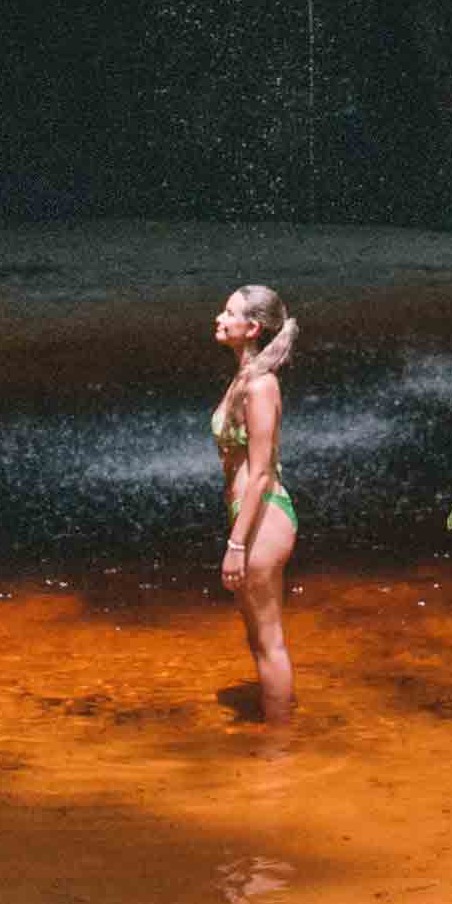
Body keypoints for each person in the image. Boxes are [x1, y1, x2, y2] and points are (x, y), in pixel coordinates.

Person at [211, 284, 298, 722]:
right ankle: (275, 732)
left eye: (229, 313)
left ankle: (280, 748)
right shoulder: (245, 378)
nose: (219, 319)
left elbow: (261, 471)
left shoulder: (262, 385)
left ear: (253, 327)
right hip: (248, 518)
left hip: (262, 520)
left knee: (268, 639)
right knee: (257, 637)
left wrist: (237, 544)